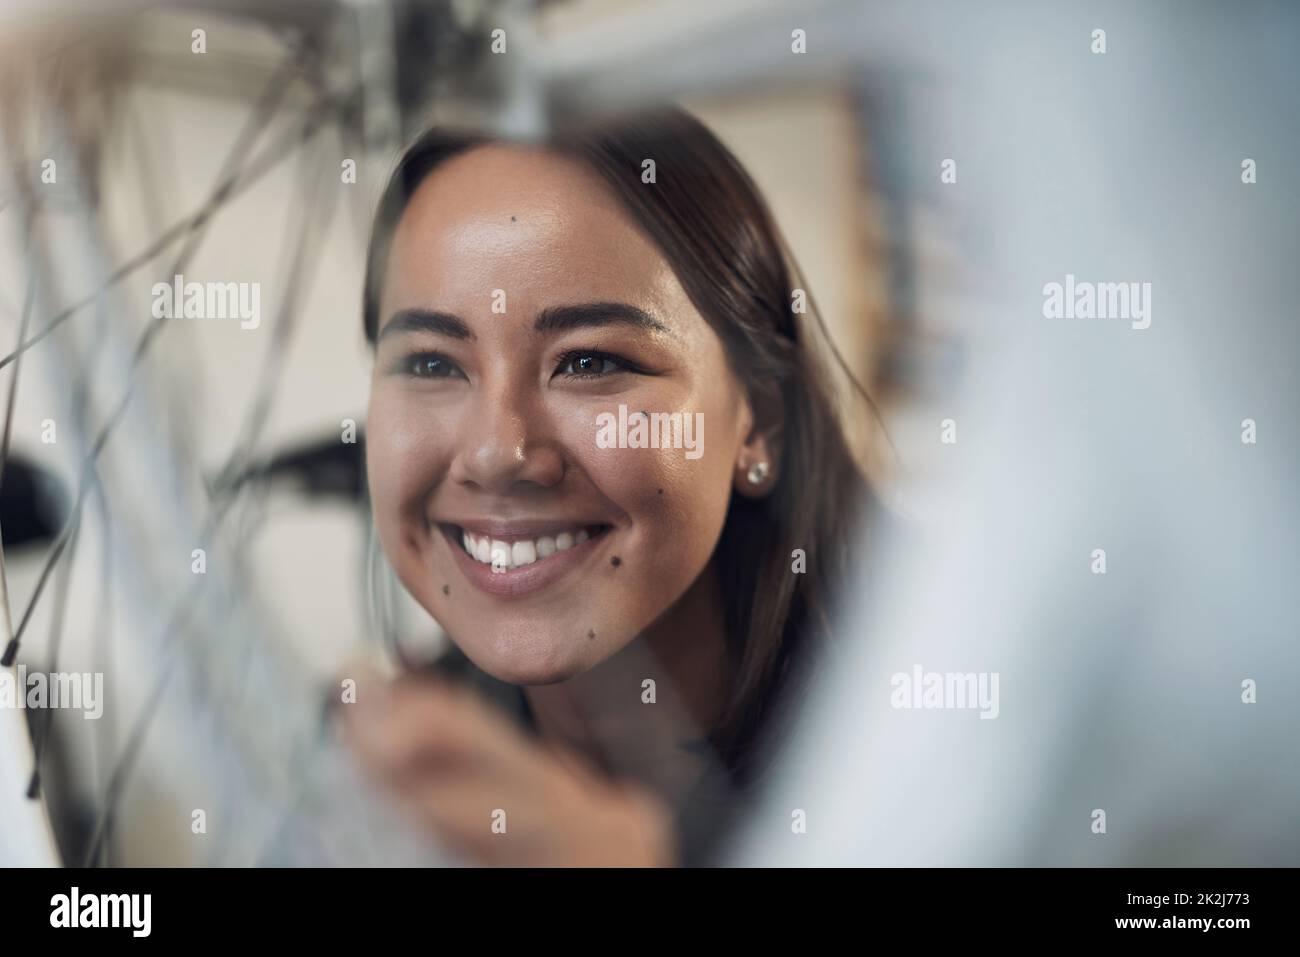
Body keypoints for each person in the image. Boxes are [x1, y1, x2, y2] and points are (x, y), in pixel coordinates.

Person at [340, 106, 880, 866]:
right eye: (432, 363)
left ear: (758, 424)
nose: (498, 452)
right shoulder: (380, 789)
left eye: (589, 362)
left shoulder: (930, 751)